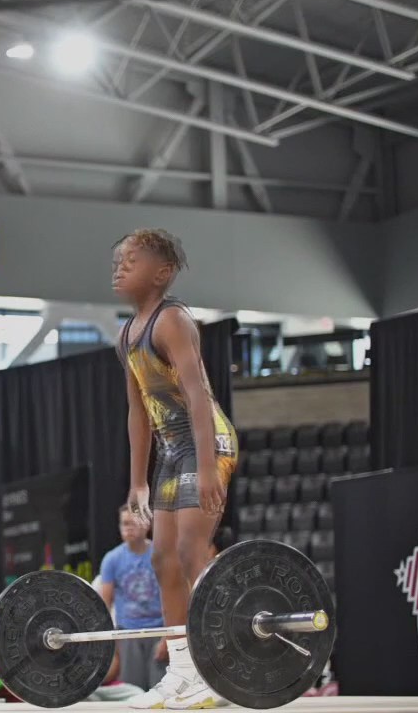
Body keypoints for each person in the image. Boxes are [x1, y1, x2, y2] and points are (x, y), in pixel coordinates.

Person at [113, 228, 237, 710]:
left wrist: (208, 466)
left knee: (189, 548)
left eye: (131, 260)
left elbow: (198, 396)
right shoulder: (127, 334)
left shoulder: (173, 321)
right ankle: (183, 672)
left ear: (161, 273)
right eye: (118, 260)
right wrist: (137, 480)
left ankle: (217, 664)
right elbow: (137, 411)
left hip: (208, 441)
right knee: (161, 559)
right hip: (171, 452)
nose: (119, 267)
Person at [100, 505, 165, 692]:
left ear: (146, 524)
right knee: (132, 692)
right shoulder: (112, 559)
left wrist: (169, 637)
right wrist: (110, 646)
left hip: (158, 631)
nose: (128, 528)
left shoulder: (160, 554)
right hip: (128, 633)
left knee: (160, 690)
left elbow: (173, 596)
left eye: (132, 523)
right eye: (124, 524)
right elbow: (104, 604)